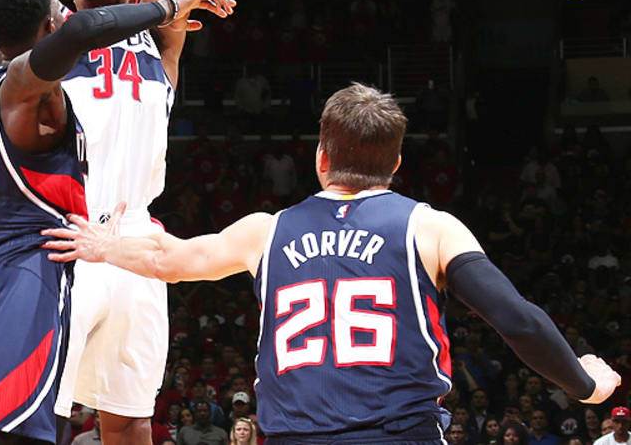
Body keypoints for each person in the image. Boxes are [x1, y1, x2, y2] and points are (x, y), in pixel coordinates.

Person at [43, 83, 622, 444]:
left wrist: (100, 246)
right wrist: (584, 382)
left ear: (320, 158)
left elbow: (170, 259)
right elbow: (516, 321)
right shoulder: (431, 226)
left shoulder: (264, 233)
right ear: (395, 162)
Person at [0, 0, 230, 445]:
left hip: (41, 253)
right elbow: (68, 8)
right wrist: (171, 6)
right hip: (48, 249)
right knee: (18, 424)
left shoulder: (1, 73)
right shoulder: (32, 80)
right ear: (50, 25)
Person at [0, 0, 203, 444]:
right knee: (38, 412)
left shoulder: (161, 37)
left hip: (136, 240)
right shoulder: (46, 38)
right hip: (62, 232)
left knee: (130, 418)